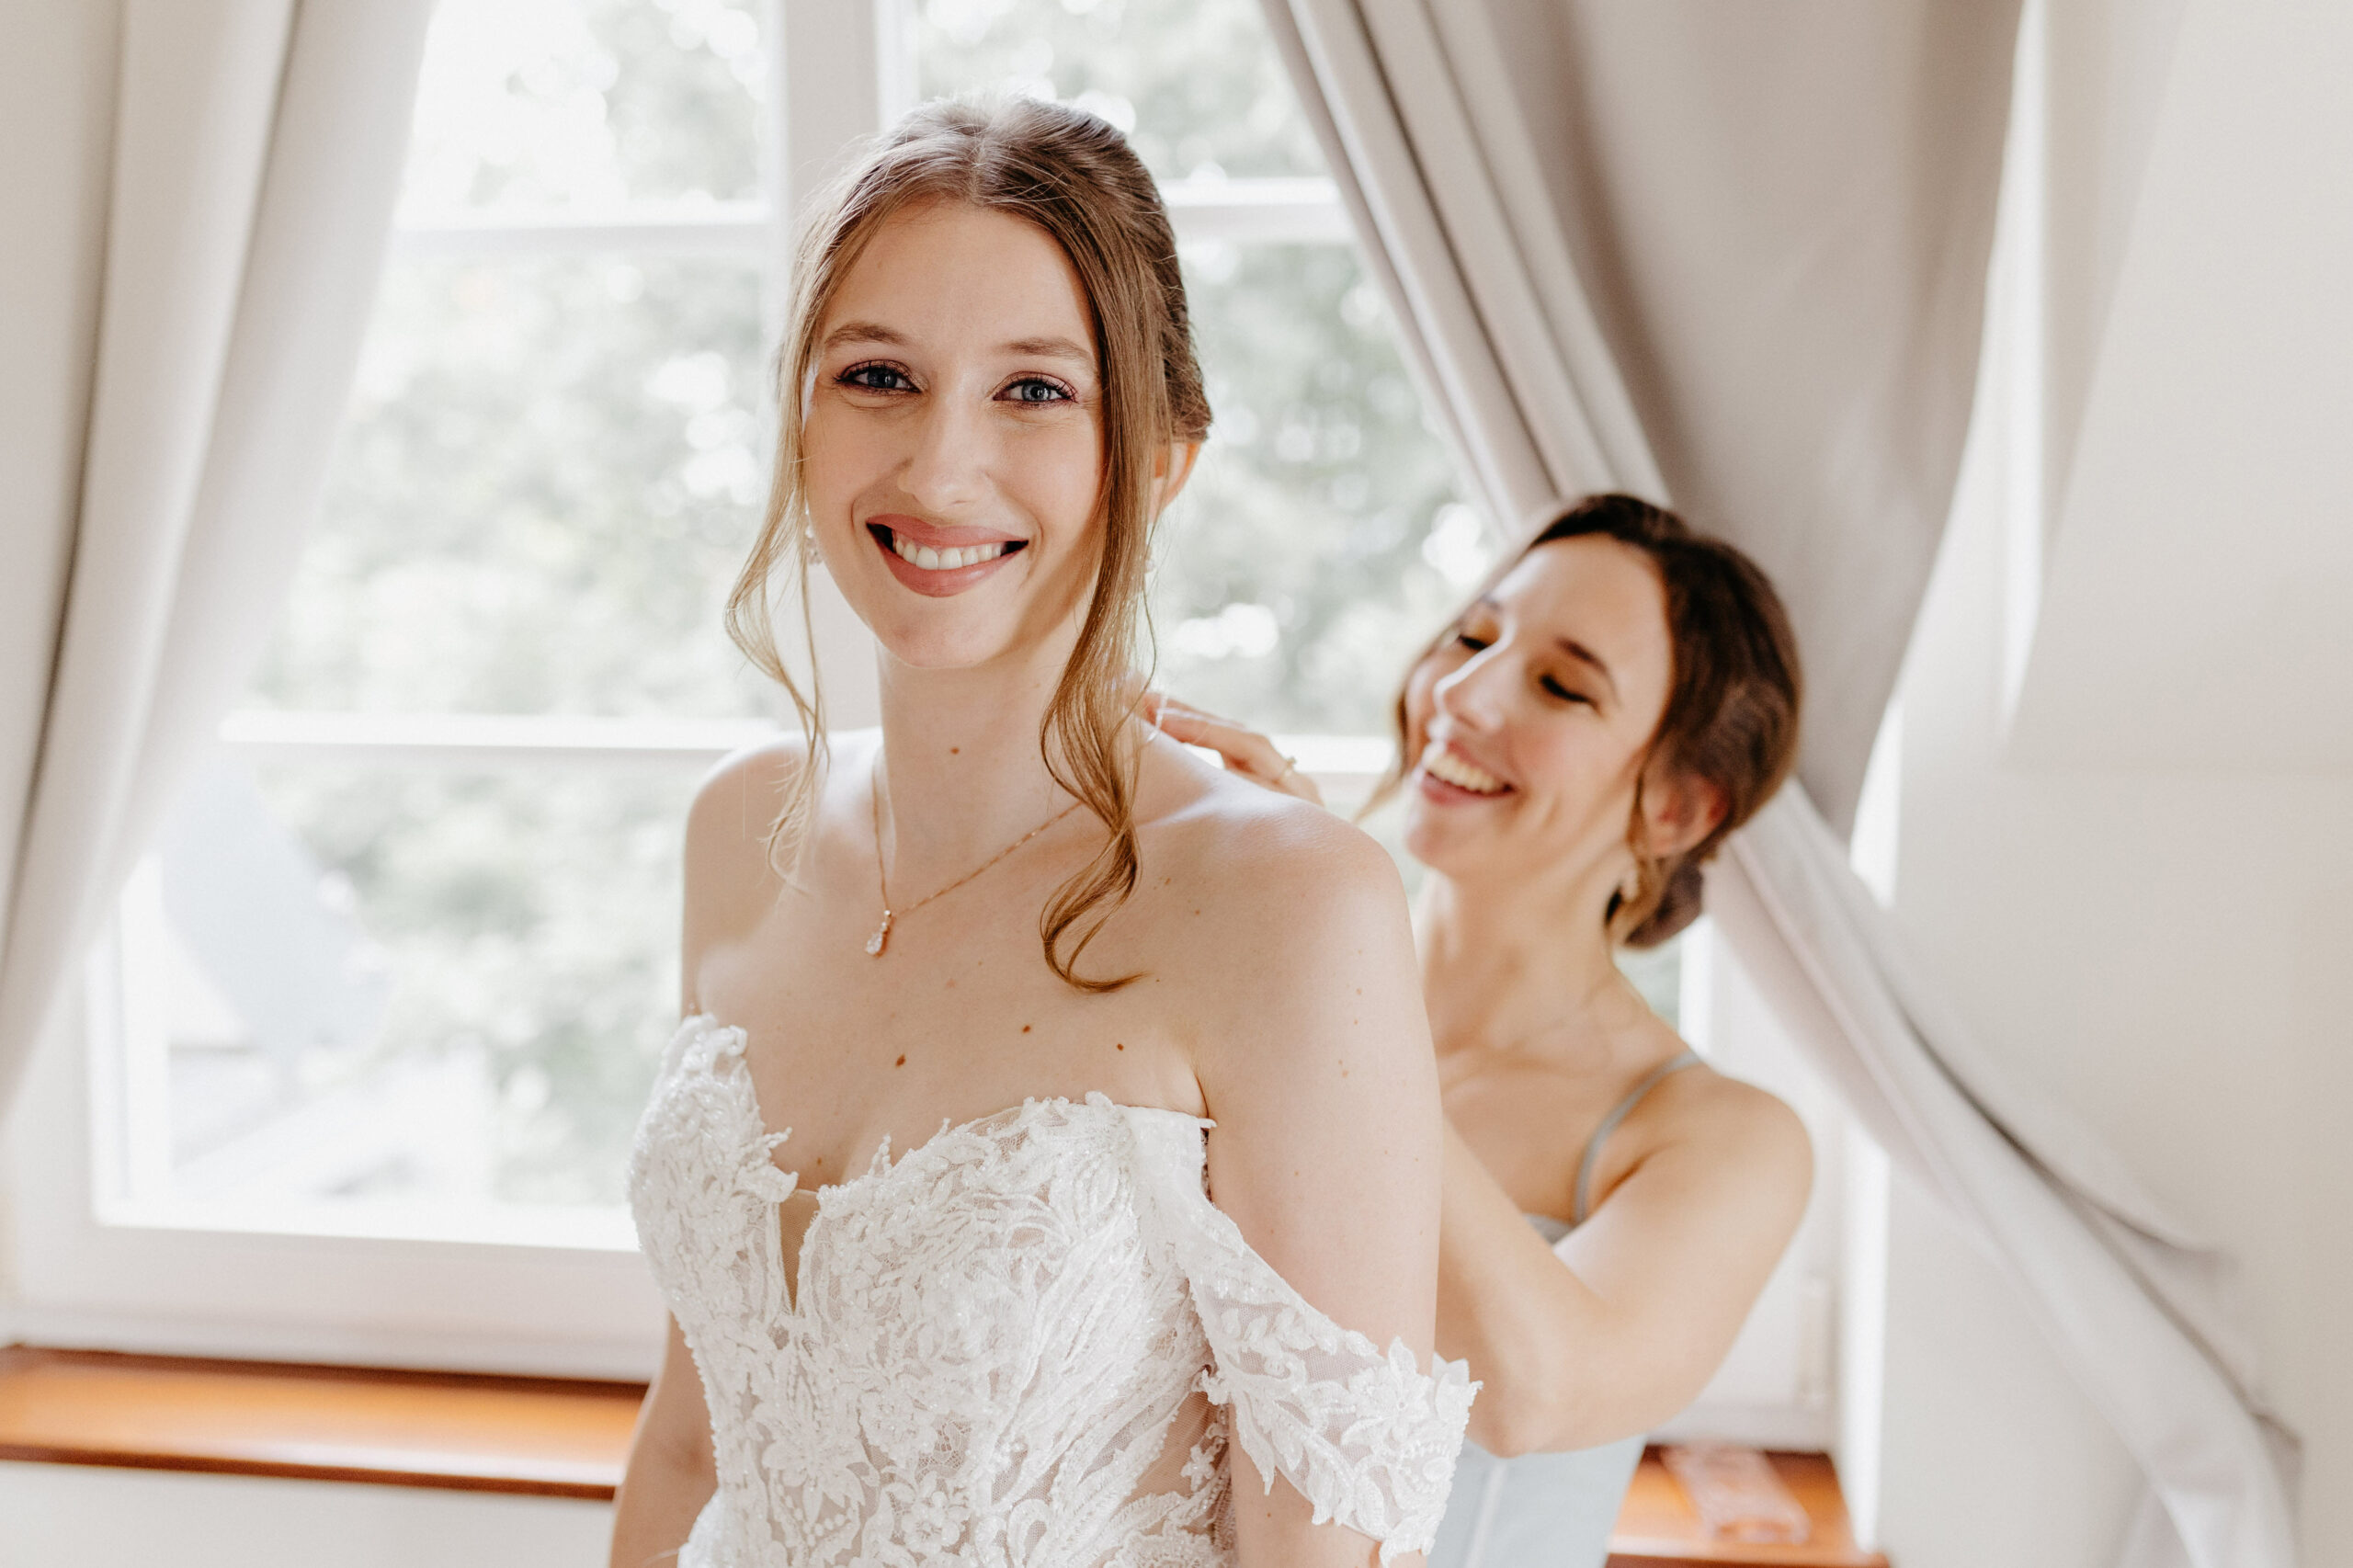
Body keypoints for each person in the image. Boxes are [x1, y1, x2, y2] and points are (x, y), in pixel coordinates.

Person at [608, 99, 1472, 1568]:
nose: (941, 470)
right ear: (800, 414)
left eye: (1033, 393)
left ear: (1161, 453)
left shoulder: (1287, 903)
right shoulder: (734, 829)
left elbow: (1320, 1553)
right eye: (876, 375)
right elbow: (700, 1431)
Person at [1154, 494, 1813, 1568]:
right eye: (1471, 636)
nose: (1462, 693)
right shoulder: (1248, 1001)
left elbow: (1531, 1390)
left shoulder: (1722, 1138)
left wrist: (1323, 956)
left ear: (1680, 808)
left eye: (1561, 685)